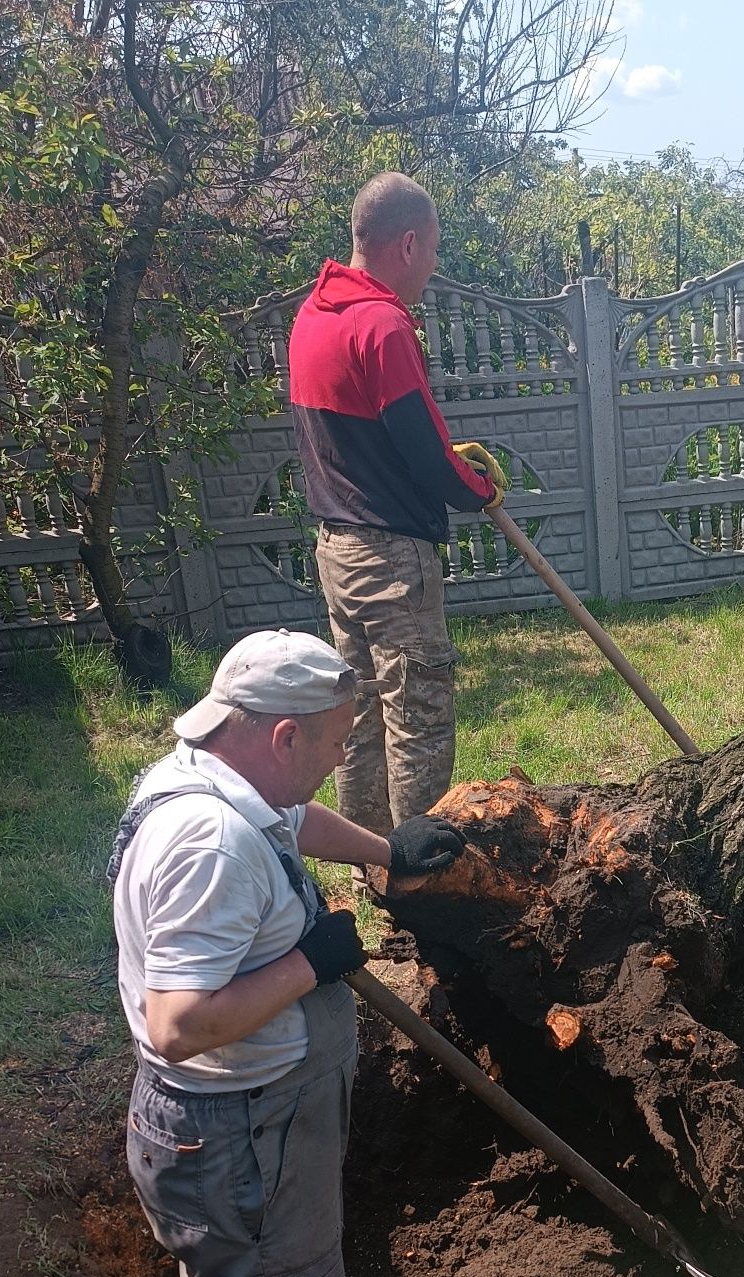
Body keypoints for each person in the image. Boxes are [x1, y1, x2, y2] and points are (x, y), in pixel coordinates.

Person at [109, 629, 464, 1277]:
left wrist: (385, 855)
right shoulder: (210, 845)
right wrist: (311, 962)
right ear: (283, 735)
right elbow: (175, 1025)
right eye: (337, 743)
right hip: (241, 1137)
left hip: (250, 1123)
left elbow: (290, 816)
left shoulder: (211, 773)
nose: (340, 761)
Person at [288, 171, 507, 847]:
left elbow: (376, 436)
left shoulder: (312, 317)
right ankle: (423, 878)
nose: (434, 268)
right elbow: (422, 449)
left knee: (359, 726)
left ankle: (372, 866)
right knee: (418, 718)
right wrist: (479, 489)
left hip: (337, 551)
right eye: (434, 251)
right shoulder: (383, 326)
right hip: (391, 562)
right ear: (408, 244)